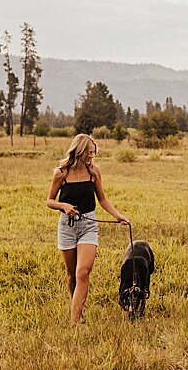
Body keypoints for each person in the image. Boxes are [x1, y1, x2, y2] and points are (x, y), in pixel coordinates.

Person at [45, 133, 130, 324]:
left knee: (83, 272)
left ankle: (75, 321)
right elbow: (49, 201)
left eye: (94, 153)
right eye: (90, 153)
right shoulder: (61, 173)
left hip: (88, 225)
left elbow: (102, 199)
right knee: (72, 275)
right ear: (80, 151)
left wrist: (118, 215)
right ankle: (79, 311)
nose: (92, 157)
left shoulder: (94, 171)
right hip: (67, 227)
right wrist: (64, 206)